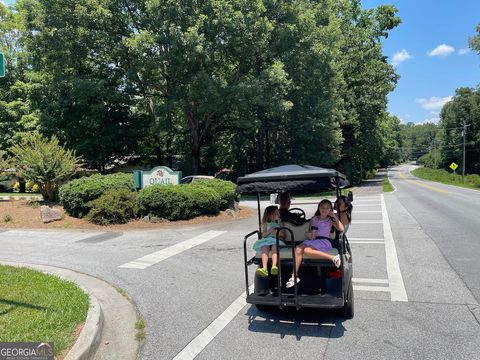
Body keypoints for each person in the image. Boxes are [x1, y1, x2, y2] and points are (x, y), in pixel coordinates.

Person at [286, 199, 344, 288]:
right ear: (319, 208)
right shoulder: (314, 219)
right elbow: (309, 231)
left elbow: (341, 229)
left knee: (307, 250)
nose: (324, 209)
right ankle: (294, 276)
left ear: (330, 210)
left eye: (327, 208)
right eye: (322, 207)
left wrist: (335, 217)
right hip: (313, 240)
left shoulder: (330, 220)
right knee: (298, 249)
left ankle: (333, 258)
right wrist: (308, 234)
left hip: (323, 241)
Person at [252, 205, 286, 277]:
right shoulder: (265, 224)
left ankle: (274, 266)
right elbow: (263, 235)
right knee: (264, 247)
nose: (279, 215)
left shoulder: (280, 223)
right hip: (267, 240)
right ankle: (264, 268)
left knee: (274, 246)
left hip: (276, 239)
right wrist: (270, 230)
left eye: (278, 213)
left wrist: (277, 232)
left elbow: (284, 235)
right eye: (277, 213)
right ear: (270, 215)